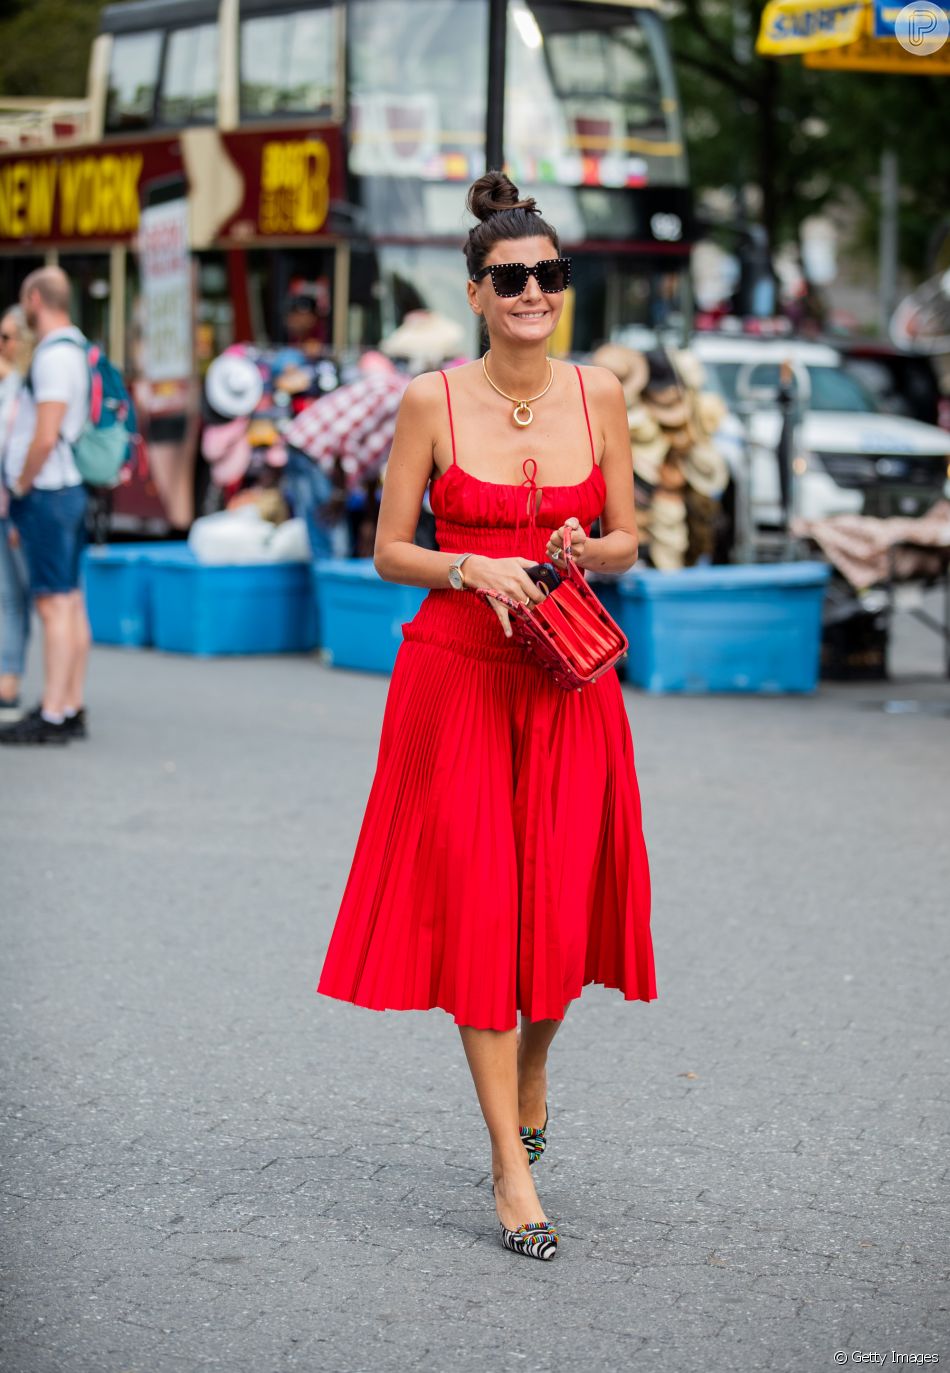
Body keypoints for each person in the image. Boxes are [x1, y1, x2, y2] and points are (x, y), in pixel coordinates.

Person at [317, 173, 655, 1262]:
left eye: (549, 275)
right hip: (456, 675)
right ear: (475, 292)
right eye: (511, 278)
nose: (532, 292)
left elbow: (624, 541)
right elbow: (388, 549)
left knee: (559, 906)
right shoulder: (432, 400)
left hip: (567, 681)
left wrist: (576, 550)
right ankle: (510, 1167)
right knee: (479, 909)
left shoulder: (599, 393)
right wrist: (466, 563)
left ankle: (535, 1062)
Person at [0, 267, 91, 746]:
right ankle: (69, 702)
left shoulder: (54, 357)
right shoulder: (76, 348)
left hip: (49, 493)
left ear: (35, 299)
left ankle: (55, 712)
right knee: (70, 600)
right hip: (68, 489)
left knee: (53, 604)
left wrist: (20, 484)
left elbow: (45, 434)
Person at [0, 307, 33, 720]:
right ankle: (9, 674)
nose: (2, 346)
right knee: (8, 596)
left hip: (21, 504)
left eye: (8, 337)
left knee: (28, 595)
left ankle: (13, 673)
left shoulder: (28, 388)